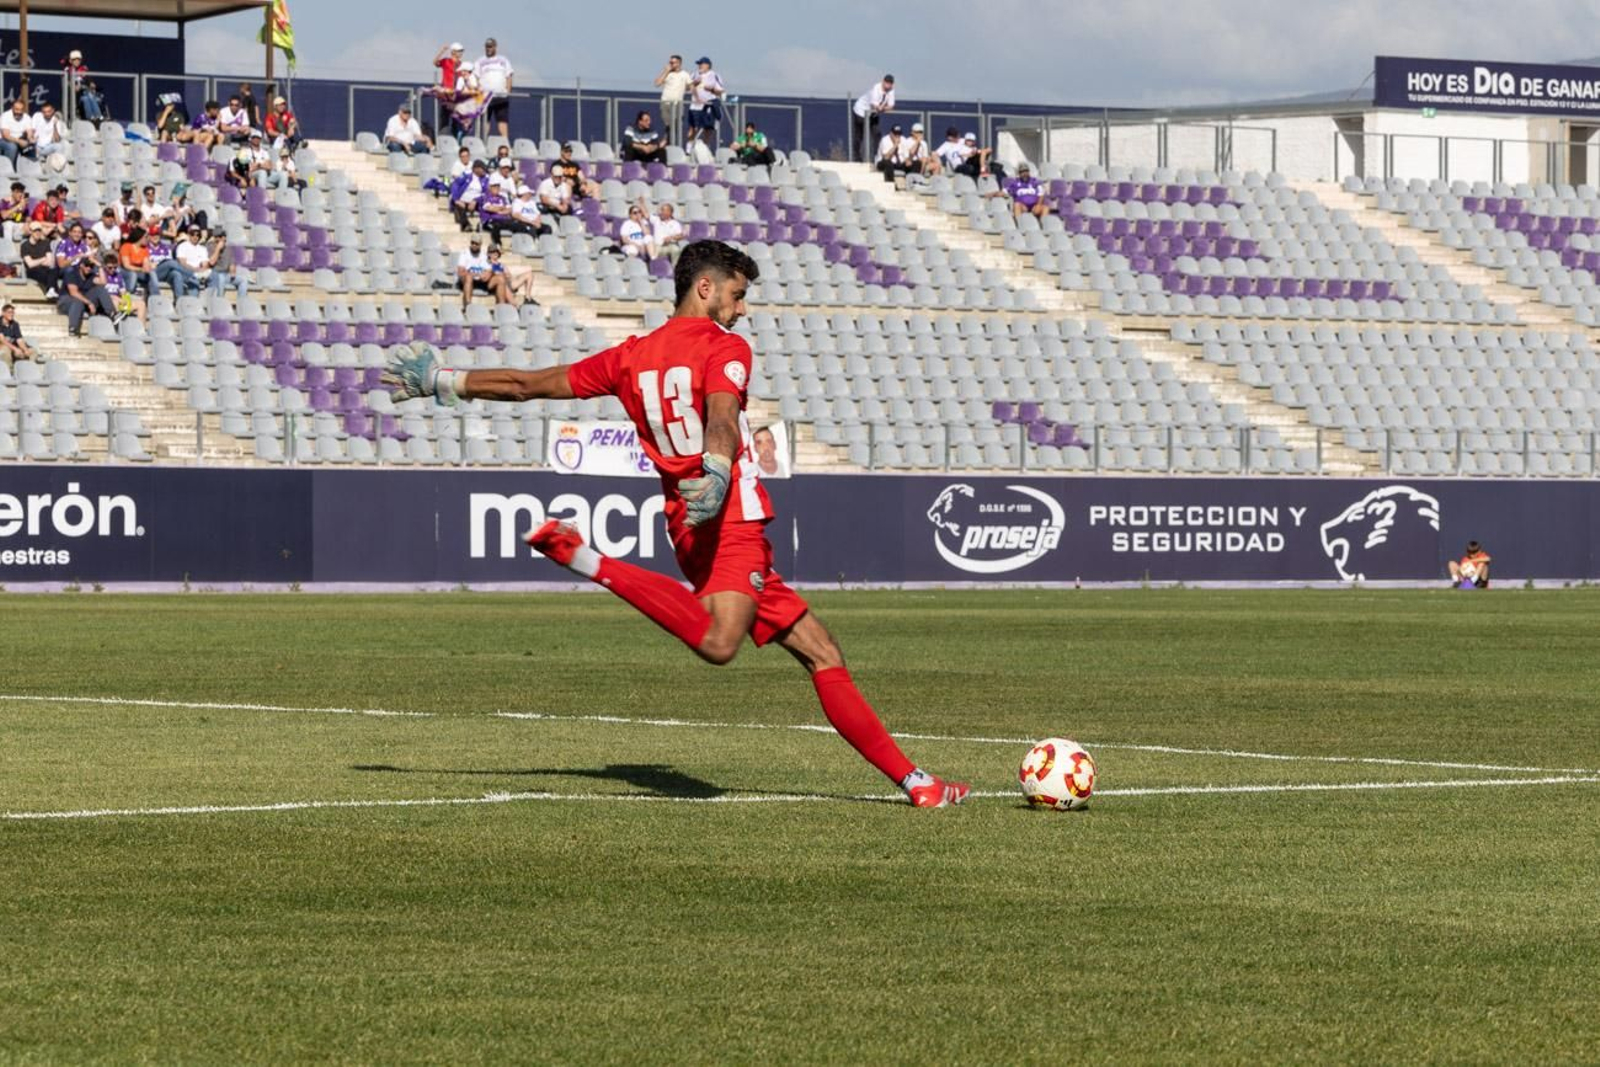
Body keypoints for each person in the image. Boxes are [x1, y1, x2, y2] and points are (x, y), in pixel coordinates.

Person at [381, 240, 969, 808]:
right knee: (719, 643)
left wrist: (446, 381)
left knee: (822, 652)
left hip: (691, 520)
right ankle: (582, 556)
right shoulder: (725, 348)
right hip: (727, 515)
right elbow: (721, 414)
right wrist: (716, 467)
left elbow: (528, 385)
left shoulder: (630, 355)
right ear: (705, 288)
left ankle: (916, 782)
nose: (742, 309)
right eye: (737, 295)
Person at [58, 255, 118, 336]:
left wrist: (99, 266)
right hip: (66, 301)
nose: (89, 268)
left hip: (83, 302)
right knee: (78, 301)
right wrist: (89, 303)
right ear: (81, 265)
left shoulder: (91, 275)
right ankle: (73, 328)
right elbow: (74, 293)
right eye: (86, 265)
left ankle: (112, 313)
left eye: (91, 266)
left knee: (100, 289)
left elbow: (103, 282)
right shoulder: (72, 273)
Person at [456, 235, 512, 308]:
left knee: (500, 278)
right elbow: (460, 272)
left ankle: (501, 306)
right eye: (472, 243)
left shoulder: (484, 256)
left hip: (482, 281)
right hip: (467, 280)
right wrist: (476, 274)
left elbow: (489, 270)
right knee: (468, 277)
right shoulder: (464, 253)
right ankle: (468, 305)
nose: (474, 245)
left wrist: (487, 275)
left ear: (480, 245)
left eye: (476, 243)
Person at [475, 38, 514, 139]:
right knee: (485, 120)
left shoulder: (503, 60)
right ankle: (483, 141)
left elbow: (509, 76)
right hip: (485, 96)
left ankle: (505, 142)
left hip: (501, 95)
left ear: (495, 47)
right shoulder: (480, 61)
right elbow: (476, 77)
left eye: (491, 46)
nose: (489, 49)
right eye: (487, 47)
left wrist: (508, 91)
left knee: (502, 121)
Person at [851, 74, 895, 163]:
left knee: (877, 134)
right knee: (859, 136)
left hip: (873, 114)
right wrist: (881, 108)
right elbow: (874, 105)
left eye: (890, 83)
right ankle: (857, 158)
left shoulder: (891, 91)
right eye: (886, 82)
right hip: (860, 111)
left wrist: (882, 108)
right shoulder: (876, 88)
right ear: (883, 81)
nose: (888, 85)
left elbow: (891, 106)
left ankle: (877, 158)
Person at [686, 57, 725, 152]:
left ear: (708, 65)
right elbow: (686, 88)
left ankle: (705, 148)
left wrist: (711, 89)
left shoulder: (714, 75)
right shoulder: (694, 74)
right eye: (699, 64)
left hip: (707, 106)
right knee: (693, 128)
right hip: (695, 106)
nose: (700, 66)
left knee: (708, 128)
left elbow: (721, 91)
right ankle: (689, 149)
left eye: (702, 64)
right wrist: (694, 83)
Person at [655, 54, 692, 142]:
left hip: (677, 104)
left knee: (676, 125)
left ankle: (667, 142)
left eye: (673, 62)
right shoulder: (668, 73)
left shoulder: (685, 74)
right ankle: (667, 141)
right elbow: (657, 83)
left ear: (679, 63)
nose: (671, 64)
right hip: (665, 102)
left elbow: (689, 87)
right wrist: (665, 71)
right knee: (669, 125)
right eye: (670, 62)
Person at [450, 158, 491, 231]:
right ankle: (466, 225)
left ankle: (483, 224)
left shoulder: (486, 178)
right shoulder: (466, 174)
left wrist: (476, 200)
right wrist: (456, 199)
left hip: (477, 202)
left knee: (486, 206)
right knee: (459, 207)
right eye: (482, 169)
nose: (484, 171)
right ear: (476, 169)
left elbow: (486, 193)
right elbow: (455, 185)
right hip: (463, 200)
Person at [21, 223, 59, 298]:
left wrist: (36, 262)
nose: (38, 233)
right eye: (35, 231)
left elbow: (50, 262)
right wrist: (43, 259)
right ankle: (52, 289)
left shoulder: (45, 243)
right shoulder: (25, 245)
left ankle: (51, 290)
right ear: (31, 232)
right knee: (43, 273)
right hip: (32, 271)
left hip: (45, 269)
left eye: (39, 231)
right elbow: (30, 264)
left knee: (54, 270)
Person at [118, 225, 156, 296]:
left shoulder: (144, 249)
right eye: (146, 237)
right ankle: (128, 293)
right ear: (139, 237)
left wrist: (149, 267)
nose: (148, 239)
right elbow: (126, 266)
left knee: (152, 273)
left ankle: (156, 296)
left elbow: (146, 264)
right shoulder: (126, 246)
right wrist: (141, 269)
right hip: (124, 270)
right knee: (133, 274)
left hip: (137, 271)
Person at [0, 303, 39, 368]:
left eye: (12, 312)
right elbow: (2, 340)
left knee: (33, 351)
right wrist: (15, 349)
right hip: (3, 346)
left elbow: (19, 340)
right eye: (9, 312)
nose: (11, 314)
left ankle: (28, 368)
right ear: (3, 313)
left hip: (14, 347)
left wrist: (25, 349)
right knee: (5, 350)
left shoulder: (15, 324)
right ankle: (9, 371)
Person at [0, 98, 36, 164]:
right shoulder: (5, 116)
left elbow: (29, 132)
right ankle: (11, 169)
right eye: (17, 109)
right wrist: (19, 141)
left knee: (31, 146)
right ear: (12, 108)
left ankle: (30, 168)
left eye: (21, 110)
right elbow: (5, 135)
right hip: (4, 140)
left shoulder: (26, 117)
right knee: (12, 147)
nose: (19, 112)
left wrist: (30, 139)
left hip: (20, 139)